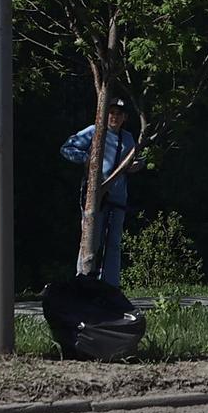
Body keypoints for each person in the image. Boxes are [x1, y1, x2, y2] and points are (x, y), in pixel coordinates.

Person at [61, 99, 138, 288]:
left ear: (125, 117)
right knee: (90, 240)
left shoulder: (128, 138)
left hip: (118, 198)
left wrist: (136, 166)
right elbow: (66, 149)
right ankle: (84, 281)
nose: (114, 117)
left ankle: (111, 286)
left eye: (119, 113)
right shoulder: (94, 131)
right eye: (111, 112)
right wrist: (87, 158)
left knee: (114, 243)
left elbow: (138, 160)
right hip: (95, 196)